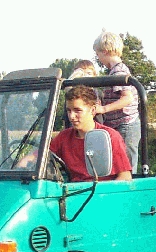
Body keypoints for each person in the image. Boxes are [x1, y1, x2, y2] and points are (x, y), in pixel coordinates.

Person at [49, 85, 132, 182]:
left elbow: (125, 177)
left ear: (92, 110)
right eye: (69, 111)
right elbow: (38, 157)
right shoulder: (64, 137)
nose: (71, 116)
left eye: (77, 110)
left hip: (100, 192)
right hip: (72, 192)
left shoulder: (110, 136)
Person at [92, 31, 141, 172]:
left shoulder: (118, 72)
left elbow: (127, 98)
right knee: (117, 161)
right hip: (118, 123)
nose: (98, 58)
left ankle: (128, 189)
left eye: (98, 54)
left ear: (105, 51)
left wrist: (104, 109)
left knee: (126, 165)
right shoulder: (114, 71)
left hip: (126, 124)